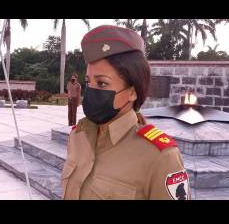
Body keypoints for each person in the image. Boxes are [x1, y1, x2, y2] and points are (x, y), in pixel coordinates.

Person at [61, 25, 190, 200]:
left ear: (132, 91)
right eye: (88, 81)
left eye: (102, 84)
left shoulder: (161, 157)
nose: (91, 91)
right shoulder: (78, 136)